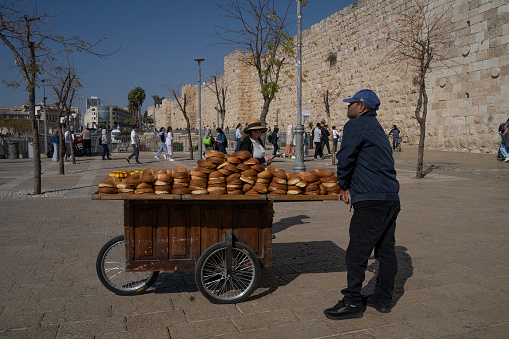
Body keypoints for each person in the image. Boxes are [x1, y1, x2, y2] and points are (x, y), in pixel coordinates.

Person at [324, 89, 400, 320]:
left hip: (371, 199)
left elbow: (346, 156)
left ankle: (353, 302)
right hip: (390, 197)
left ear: (361, 107)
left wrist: (343, 185)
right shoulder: (376, 127)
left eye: (351, 103)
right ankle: (383, 299)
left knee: (356, 252)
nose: (348, 107)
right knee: (386, 252)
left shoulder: (355, 125)